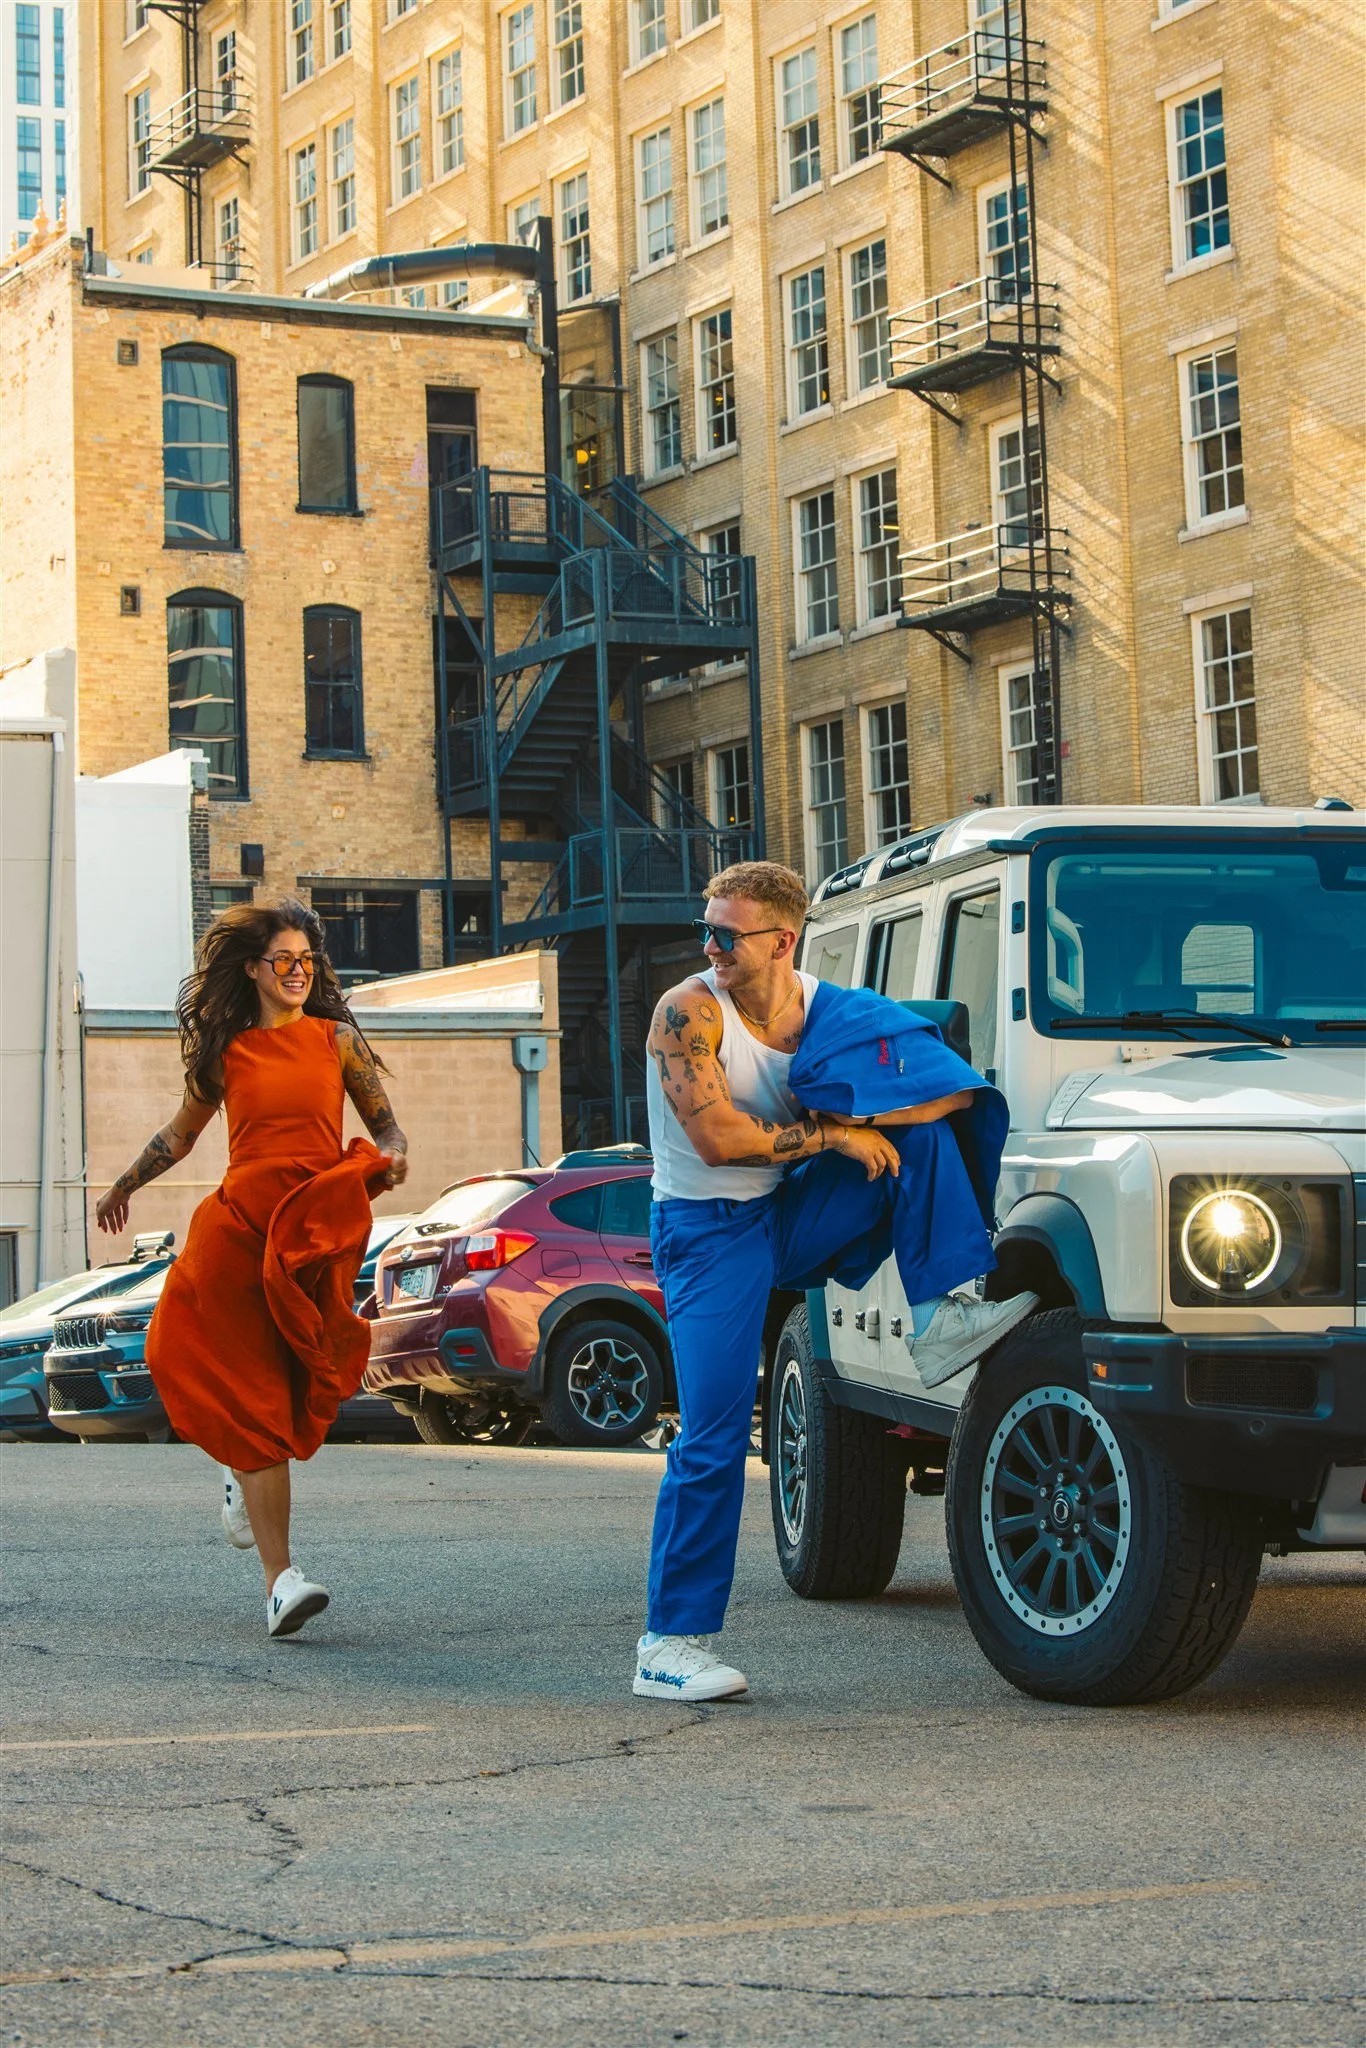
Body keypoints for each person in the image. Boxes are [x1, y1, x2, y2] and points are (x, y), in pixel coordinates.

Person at [635, 860, 1036, 1703]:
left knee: (918, 1139)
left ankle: (936, 1320)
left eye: (726, 933)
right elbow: (718, 1141)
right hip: (707, 1233)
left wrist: (871, 1118)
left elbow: (950, 1095)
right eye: (704, 929)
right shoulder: (688, 1013)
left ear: (783, 940)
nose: (709, 947)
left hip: (788, 1211)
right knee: (710, 1433)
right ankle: (669, 1645)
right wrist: (837, 1137)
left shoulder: (833, 1013)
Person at [95, 900, 408, 1639]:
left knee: (295, 1386)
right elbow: (179, 1135)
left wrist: (394, 1152)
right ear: (253, 970)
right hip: (240, 1228)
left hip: (307, 1233)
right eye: (284, 962)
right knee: (201, 1363)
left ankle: (242, 1473)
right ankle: (281, 1582)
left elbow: (383, 1122)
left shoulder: (336, 1041)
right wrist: (123, 1186)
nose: (299, 973)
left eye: (308, 962)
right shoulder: (226, 1052)